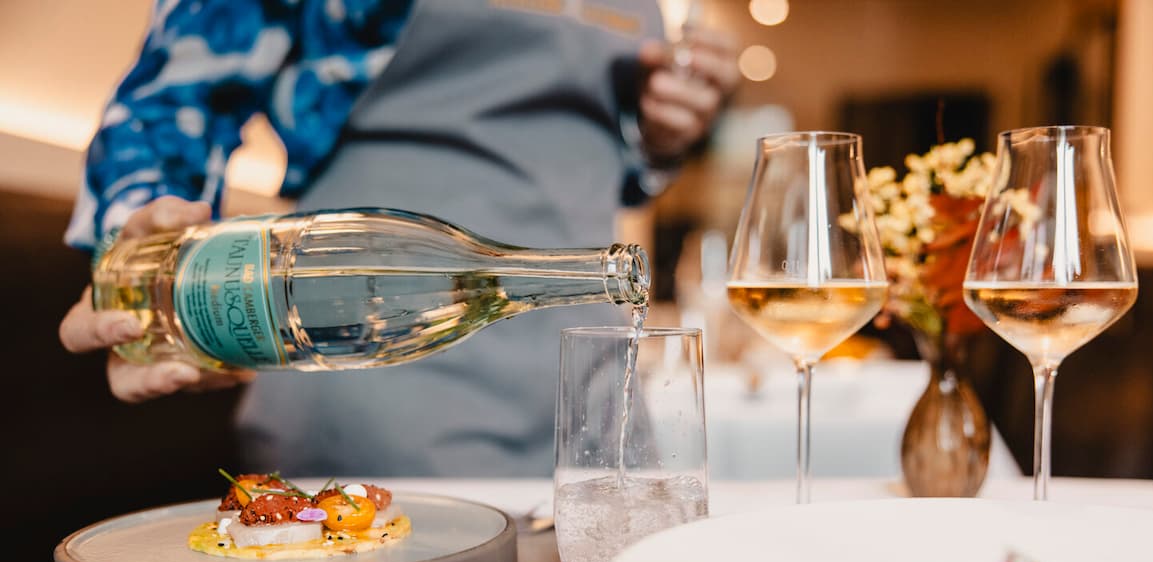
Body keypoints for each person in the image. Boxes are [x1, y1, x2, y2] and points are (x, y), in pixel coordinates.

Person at [59, 0, 739, 477]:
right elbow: (174, 99)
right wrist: (148, 246)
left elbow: (610, 164)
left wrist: (659, 137)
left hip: (591, 370)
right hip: (376, 363)